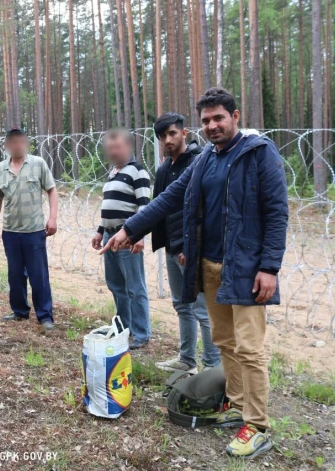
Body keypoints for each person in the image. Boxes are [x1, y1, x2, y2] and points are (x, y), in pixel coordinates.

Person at [101, 88, 288, 459]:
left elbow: (277, 212)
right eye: (206, 121)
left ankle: (259, 425)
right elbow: (168, 199)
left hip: (247, 269)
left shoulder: (258, 153)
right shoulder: (207, 160)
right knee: (226, 342)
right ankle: (236, 407)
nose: (212, 126)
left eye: (219, 118)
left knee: (249, 348)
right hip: (212, 266)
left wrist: (269, 267)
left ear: (236, 116)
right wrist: (129, 229)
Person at [151, 113, 220, 374]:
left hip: (190, 250)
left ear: (184, 132)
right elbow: (159, 207)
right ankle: (187, 359)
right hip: (172, 248)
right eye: (162, 136)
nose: (167, 140)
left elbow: (202, 208)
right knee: (181, 305)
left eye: (171, 133)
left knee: (203, 310)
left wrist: (192, 248)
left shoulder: (200, 162)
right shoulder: (164, 169)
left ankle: (212, 367)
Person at [0, 127, 58, 331]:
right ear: (6, 146)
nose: (17, 145)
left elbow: (52, 190)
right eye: (13, 142)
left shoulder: (38, 164)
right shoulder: (1, 168)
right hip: (11, 232)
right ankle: (20, 311)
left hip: (34, 231)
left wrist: (53, 218)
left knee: (39, 275)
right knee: (15, 274)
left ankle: (45, 316)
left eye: (21, 141)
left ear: (26, 143)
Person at [91, 128, 152, 349]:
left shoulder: (138, 172)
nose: (112, 151)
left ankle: (142, 333)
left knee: (135, 287)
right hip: (109, 236)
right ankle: (123, 327)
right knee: (116, 285)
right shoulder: (113, 172)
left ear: (128, 146)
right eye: (109, 148)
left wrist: (139, 236)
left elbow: (145, 207)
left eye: (116, 147)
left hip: (127, 237)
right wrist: (100, 230)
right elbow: (109, 207)